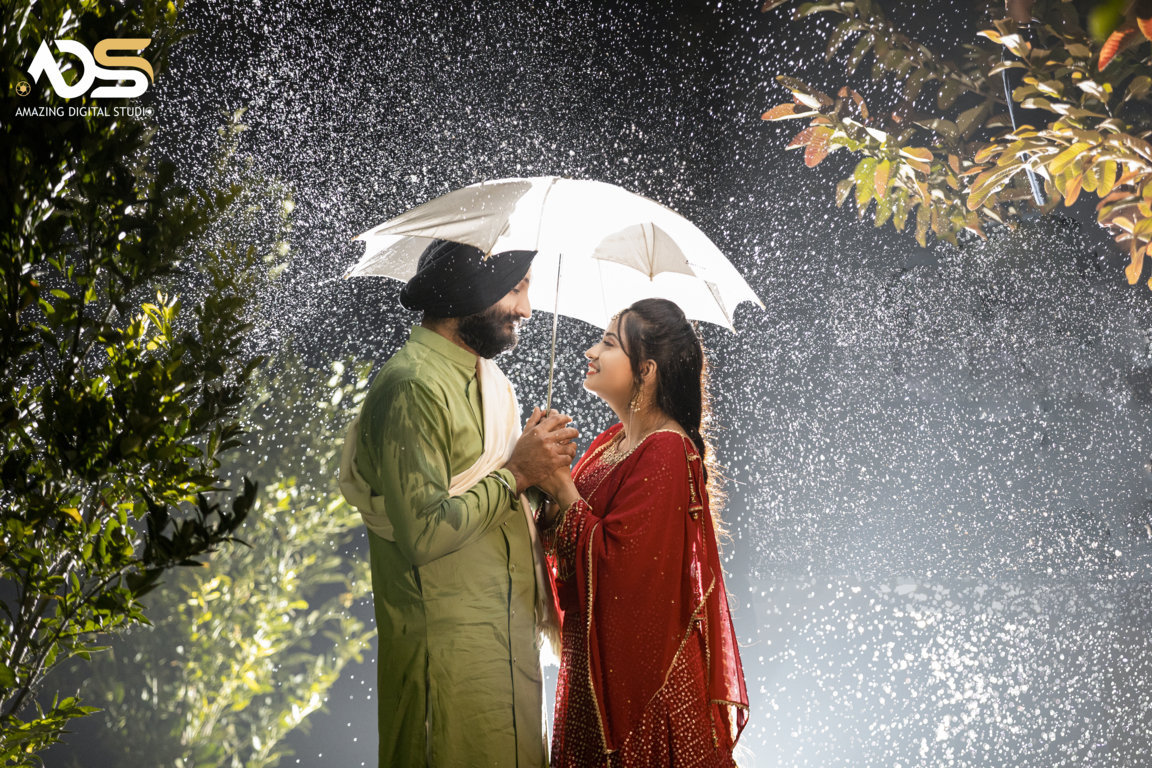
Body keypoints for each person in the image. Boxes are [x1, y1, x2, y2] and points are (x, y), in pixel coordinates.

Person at [338, 238, 578, 768]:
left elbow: (500, 509)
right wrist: (517, 472)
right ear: (470, 290)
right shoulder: (413, 387)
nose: (526, 310)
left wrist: (546, 489)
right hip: (446, 663)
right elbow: (424, 534)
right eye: (516, 290)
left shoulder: (493, 387)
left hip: (510, 652)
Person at [537, 298, 748, 768]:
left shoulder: (668, 450)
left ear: (647, 370)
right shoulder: (611, 442)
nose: (591, 351)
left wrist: (560, 487)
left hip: (646, 689)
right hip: (592, 665)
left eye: (609, 343)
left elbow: (621, 567)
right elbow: (569, 538)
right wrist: (539, 480)